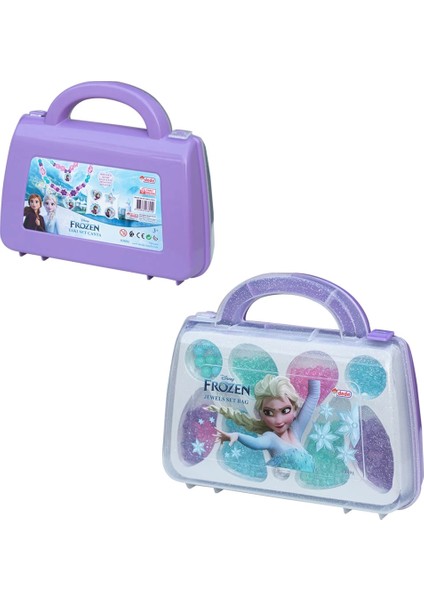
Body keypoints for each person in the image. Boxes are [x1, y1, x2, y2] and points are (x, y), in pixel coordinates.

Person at [209, 374, 320, 472]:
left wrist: (314, 371)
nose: (278, 420)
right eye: (269, 413)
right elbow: (257, 443)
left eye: (285, 411)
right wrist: (237, 436)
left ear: (295, 410)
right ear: (260, 414)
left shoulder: (296, 430)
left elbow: (313, 395)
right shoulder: (271, 438)